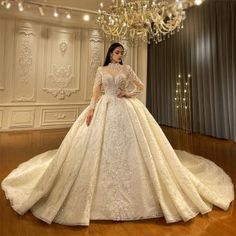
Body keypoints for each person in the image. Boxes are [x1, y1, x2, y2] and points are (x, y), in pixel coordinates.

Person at [1, 42, 234, 226]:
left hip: (125, 109)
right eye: (116, 52)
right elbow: (95, 91)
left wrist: (129, 94)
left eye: (122, 52)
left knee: (135, 148)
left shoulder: (127, 69)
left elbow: (140, 86)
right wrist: (91, 110)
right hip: (104, 107)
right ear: (110, 53)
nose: (119, 55)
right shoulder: (101, 70)